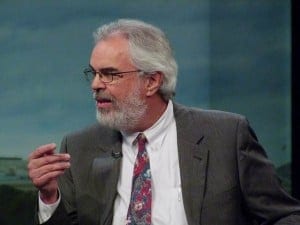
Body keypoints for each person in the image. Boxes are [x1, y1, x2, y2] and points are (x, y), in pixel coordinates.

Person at [28, 19, 300, 225]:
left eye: (110, 74)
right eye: (94, 73)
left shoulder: (226, 136)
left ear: (151, 81)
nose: (96, 85)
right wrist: (50, 198)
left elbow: (284, 217)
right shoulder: (80, 146)